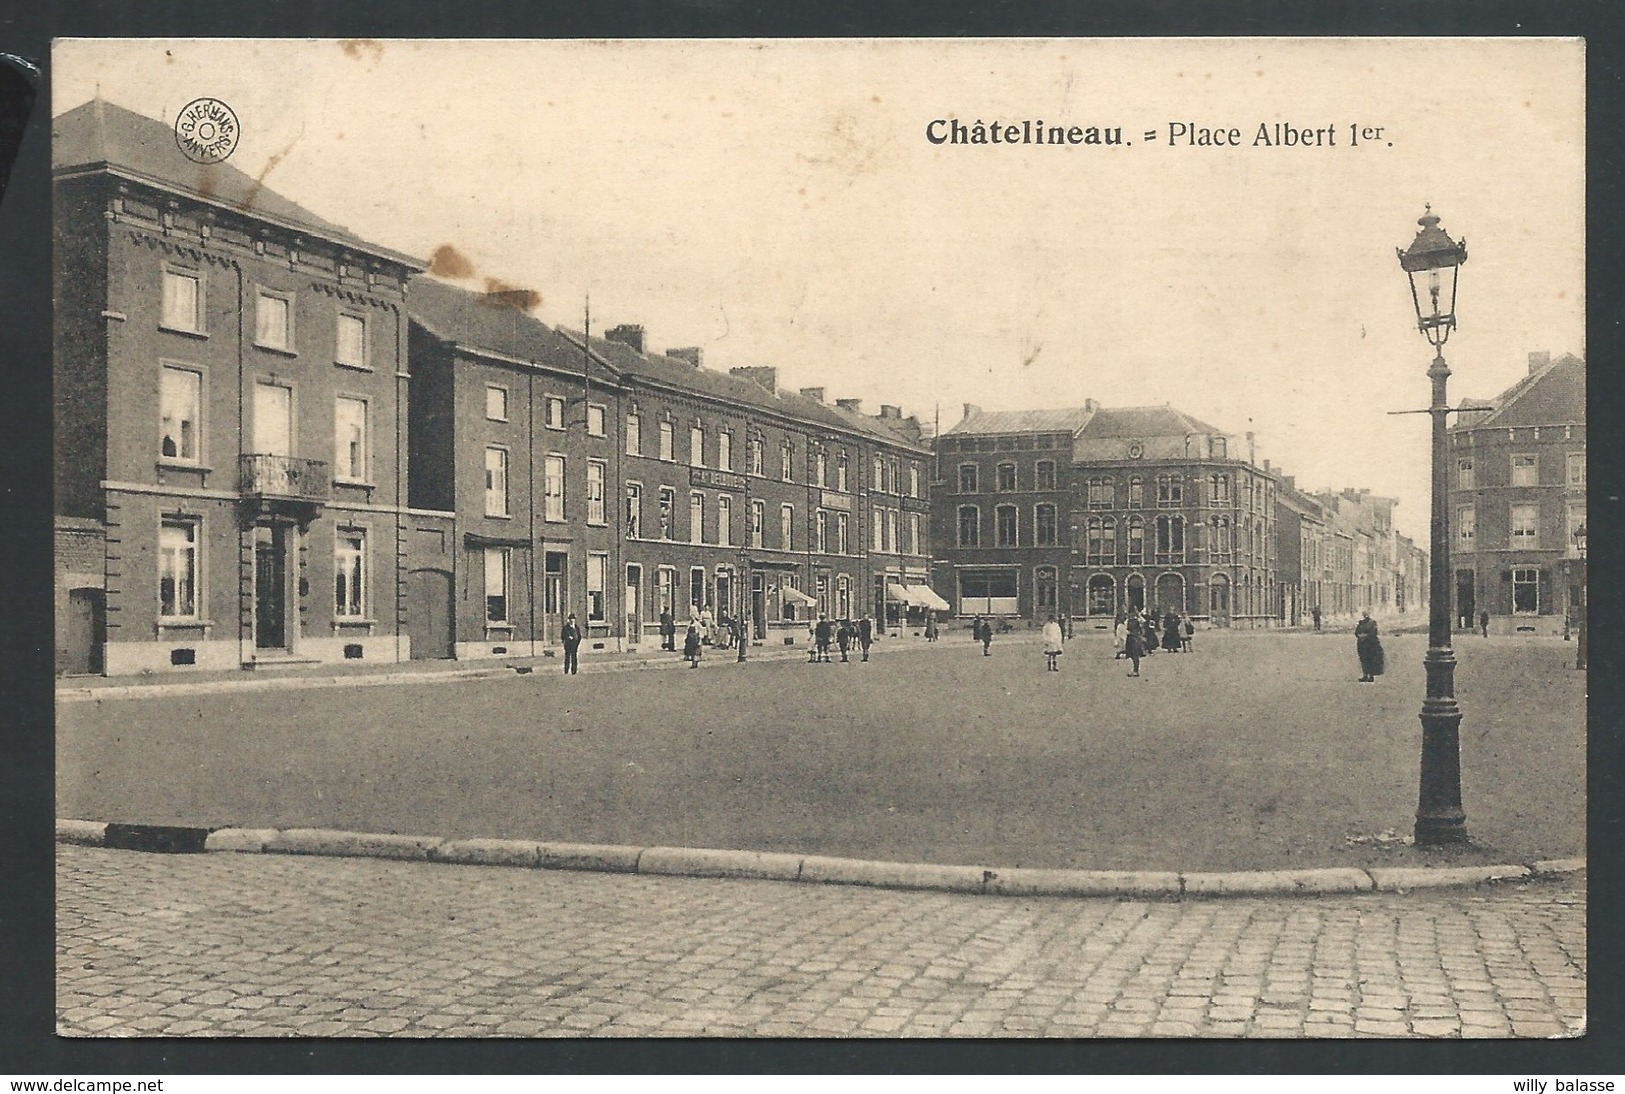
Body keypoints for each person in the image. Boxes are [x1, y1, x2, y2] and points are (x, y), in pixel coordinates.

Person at [1355, 609, 1385, 682]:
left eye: (1367, 614)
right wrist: (1360, 636)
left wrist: (1365, 636)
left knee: (1371, 659)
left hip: (1371, 644)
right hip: (1362, 644)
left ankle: (1371, 676)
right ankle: (1365, 675)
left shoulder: (1372, 623)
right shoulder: (1361, 623)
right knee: (1363, 659)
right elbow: (1356, 632)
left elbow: (1373, 632)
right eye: (1364, 614)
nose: (1366, 616)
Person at [1125, 610, 1146, 677]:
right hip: (1131, 639)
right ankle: (1135, 670)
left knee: (1135, 655)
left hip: (1135, 639)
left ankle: (1135, 671)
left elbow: (1143, 622)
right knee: (1132, 655)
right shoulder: (1128, 621)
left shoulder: (1137, 621)